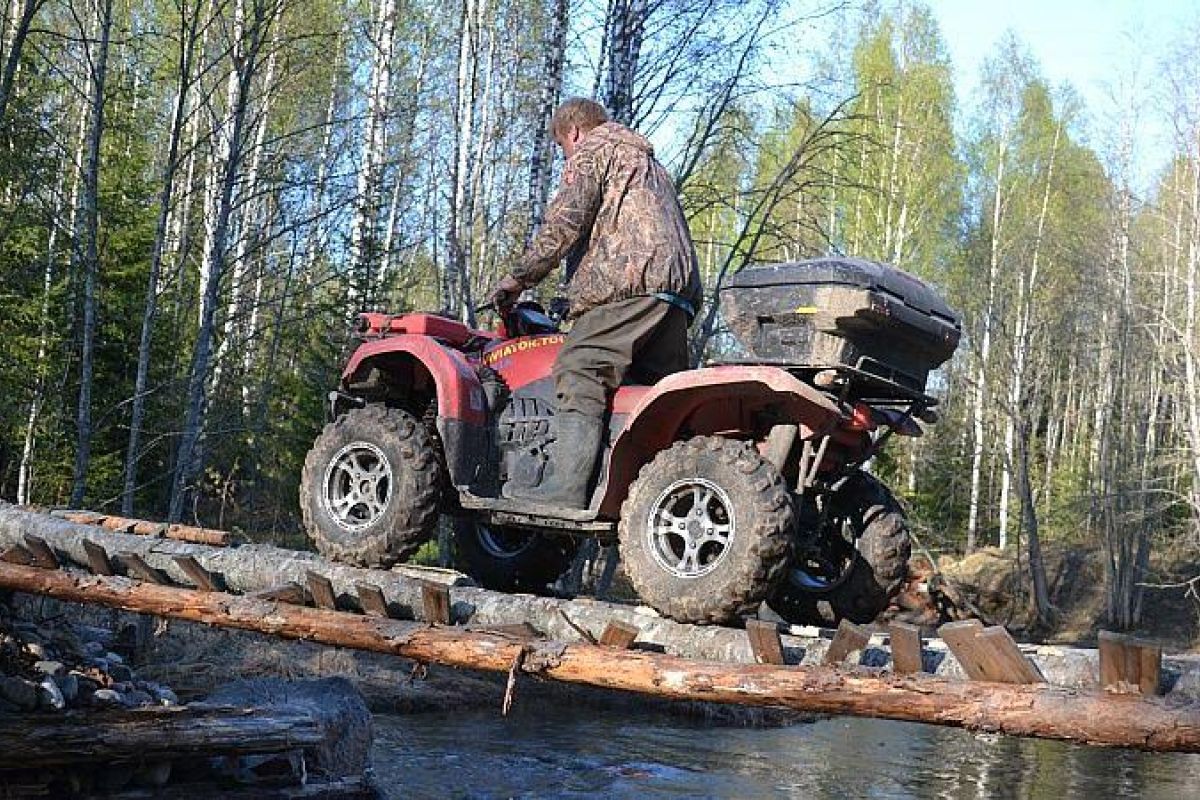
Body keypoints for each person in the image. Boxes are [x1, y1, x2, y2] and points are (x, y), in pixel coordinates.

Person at [489, 98, 702, 510]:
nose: (565, 157)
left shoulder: (593, 151)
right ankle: (647, 501)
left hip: (631, 283)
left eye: (562, 148)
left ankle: (563, 491)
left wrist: (518, 279)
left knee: (580, 366)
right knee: (649, 400)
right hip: (675, 295)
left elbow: (565, 222)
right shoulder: (647, 163)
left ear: (573, 132)